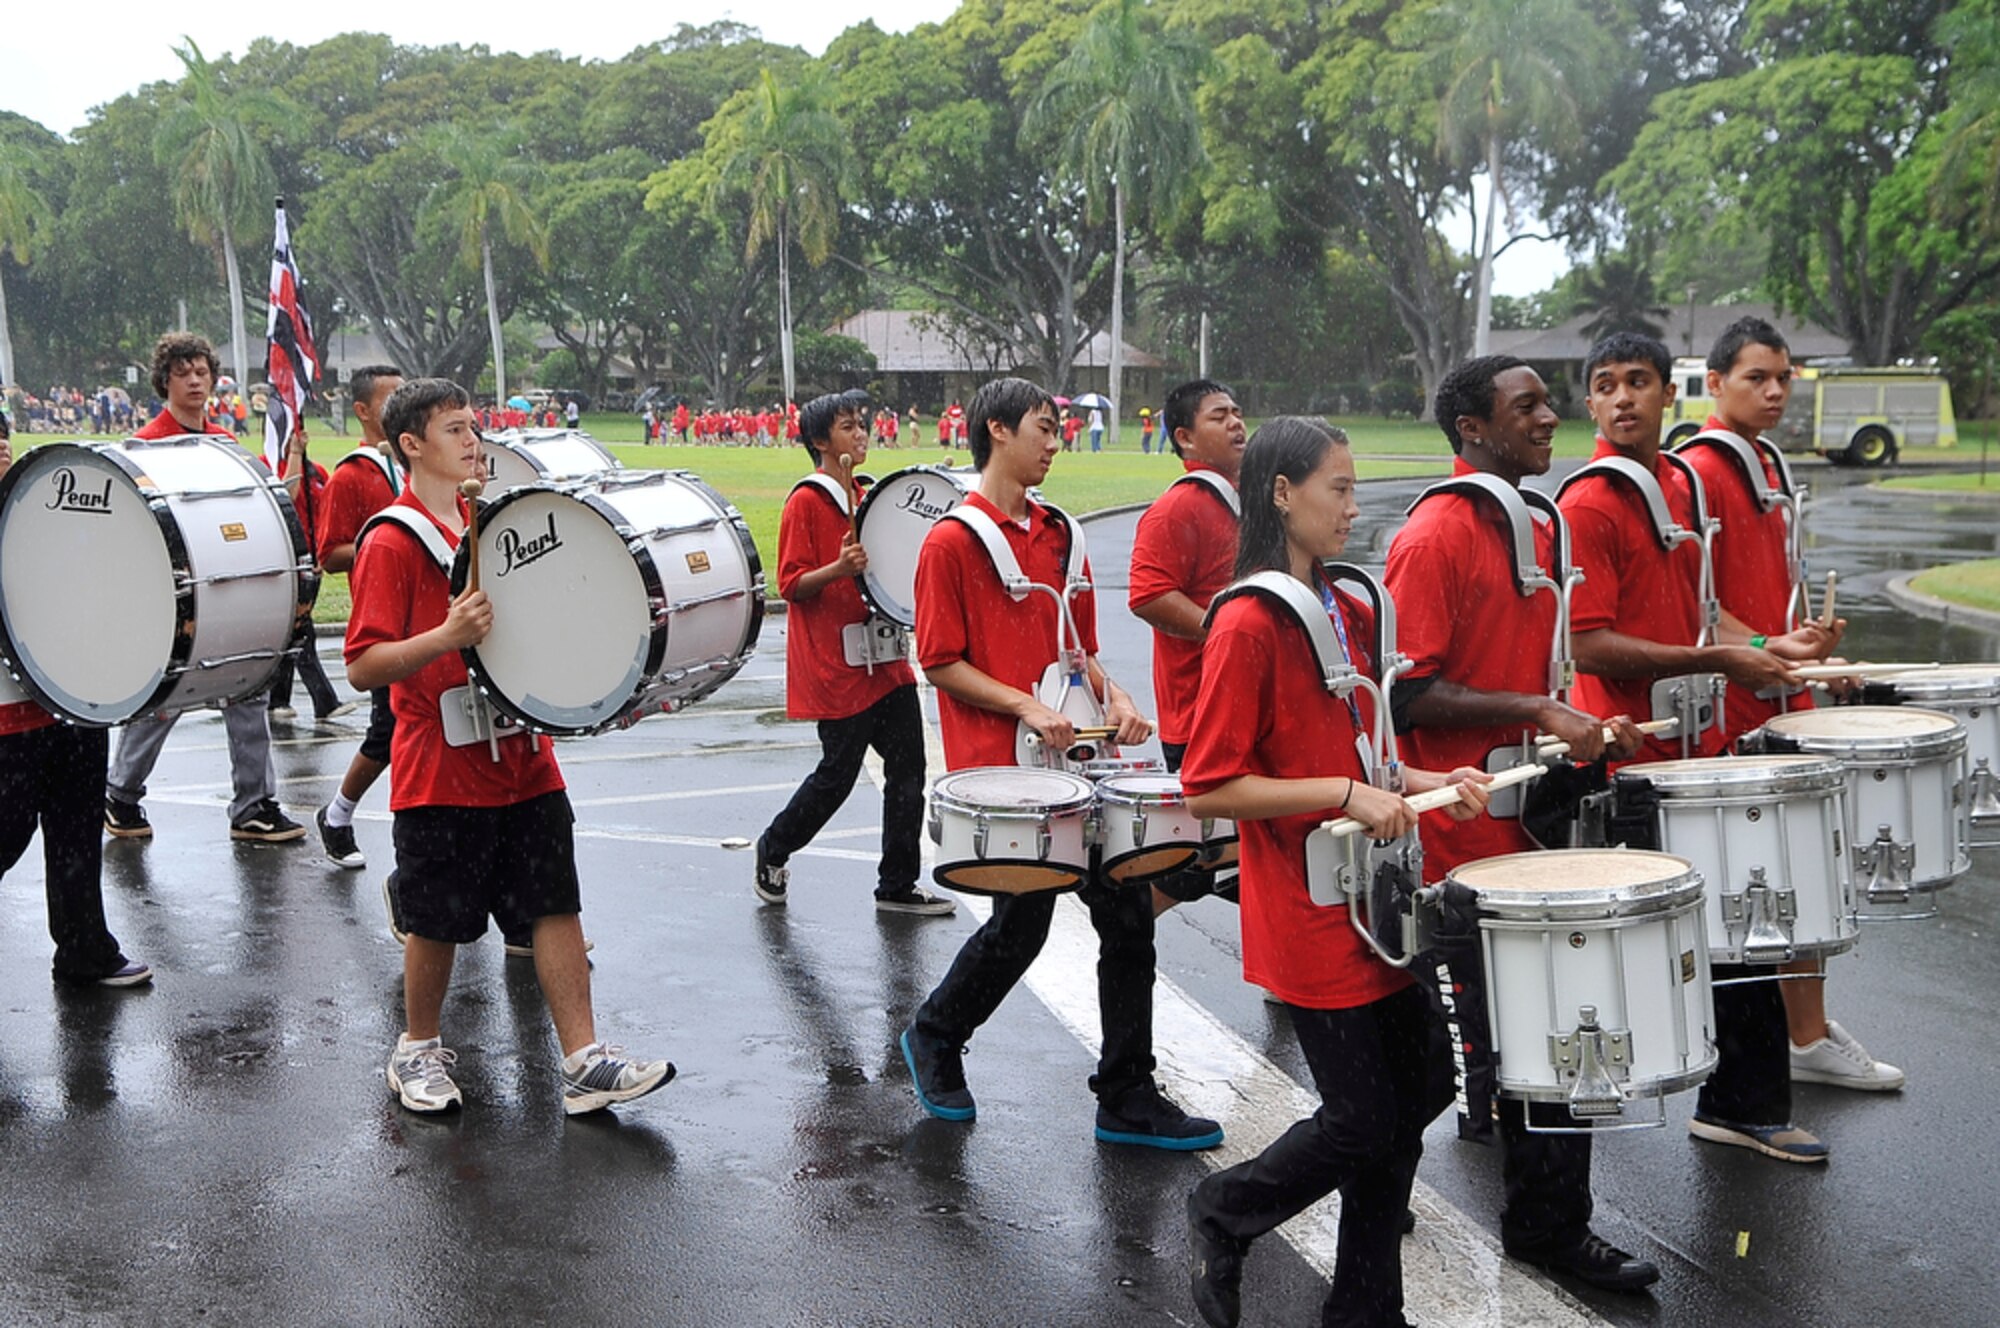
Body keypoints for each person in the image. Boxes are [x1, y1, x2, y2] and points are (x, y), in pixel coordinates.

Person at [1181, 417, 1488, 1328]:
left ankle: (1364, 1304)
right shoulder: (1246, 621)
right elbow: (1210, 786)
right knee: (1360, 1118)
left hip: (1380, 901)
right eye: (1339, 489)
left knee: (1427, 1079)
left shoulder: (1346, 609)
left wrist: (1435, 783)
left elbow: (1368, 748)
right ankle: (1226, 1213)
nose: (1355, 507)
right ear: (1282, 494)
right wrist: (1345, 794)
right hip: (1314, 911)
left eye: (1355, 489)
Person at [1386, 355, 1657, 1292]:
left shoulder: (1534, 521)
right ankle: (1368, 1196)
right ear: (1470, 426)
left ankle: (1546, 1228)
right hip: (1459, 841)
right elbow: (1410, 698)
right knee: (1451, 1057)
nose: (1551, 417)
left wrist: (1571, 720)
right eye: (1526, 406)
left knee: (1548, 1037)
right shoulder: (1433, 535)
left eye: (1548, 402)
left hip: (1530, 831)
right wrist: (1543, 714)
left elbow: (1530, 676)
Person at [899, 376, 1221, 1150]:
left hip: (1079, 765)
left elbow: (1077, 652)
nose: (1056, 442)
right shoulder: (952, 541)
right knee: (1021, 928)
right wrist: (1023, 704)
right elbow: (938, 659)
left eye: (1059, 429)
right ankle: (936, 1034)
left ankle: (1126, 1093)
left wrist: (1116, 700)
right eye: (1044, 428)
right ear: (998, 431)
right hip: (1006, 774)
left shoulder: (1060, 534)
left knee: (1125, 916)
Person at [345, 377, 672, 1116]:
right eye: (456, 430)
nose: (474, 441)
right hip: (440, 767)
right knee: (436, 922)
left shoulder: (500, 523)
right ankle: (417, 1050)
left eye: (475, 426)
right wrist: (445, 636)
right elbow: (364, 661)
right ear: (411, 445)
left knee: (556, 907)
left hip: (525, 757)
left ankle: (584, 1060)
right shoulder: (392, 541)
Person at [1559, 331, 1833, 1164]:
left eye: (1638, 382)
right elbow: (1589, 642)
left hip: (1699, 742)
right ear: (1592, 405)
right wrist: (1717, 658)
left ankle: (1741, 1105)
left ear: (1668, 394)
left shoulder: (1678, 482)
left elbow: (1702, 611)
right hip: (1632, 754)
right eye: (1605, 386)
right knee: (1618, 939)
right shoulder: (1589, 503)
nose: (1623, 399)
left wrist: (1777, 647)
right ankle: (1511, 1099)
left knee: (1741, 922)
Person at [1679, 316, 1903, 1092]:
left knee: (1803, 873)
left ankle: (1804, 1032)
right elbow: (1697, 608)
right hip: (1734, 710)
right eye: (1756, 378)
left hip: (1778, 692)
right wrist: (1774, 645)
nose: (1775, 391)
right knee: (1777, 880)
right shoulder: (1698, 471)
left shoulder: (1763, 462)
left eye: (1784, 377)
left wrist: (1811, 645)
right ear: (1715, 384)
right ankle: (1792, 1042)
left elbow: (1769, 592)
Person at [753, 391, 954, 918]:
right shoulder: (806, 501)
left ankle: (897, 884)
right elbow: (791, 584)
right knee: (836, 777)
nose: (860, 434)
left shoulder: (869, 496)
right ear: (821, 442)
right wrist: (838, 568)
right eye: (847, 427)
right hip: (835, 666)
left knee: (910, 771)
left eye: (861, 425)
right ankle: (774, 846)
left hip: (886, 663)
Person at [103, 333, 305, 845]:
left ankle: (253, 804)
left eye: (201, 372)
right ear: (164, 381)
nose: (194, 381)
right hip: (169, 594)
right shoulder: (144, 448)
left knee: (248, 690)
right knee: (164, 699)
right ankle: (120, 795)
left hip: (224, 589)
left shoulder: (225, 445)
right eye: (182, 373)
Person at [0, 414, 152, 988]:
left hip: (69, 700)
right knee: (7, 833)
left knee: (76, 831)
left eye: (1, 435)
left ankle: (84, 947)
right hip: (7, 714)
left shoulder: (37, 505)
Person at [1128, 378, 1247, 915]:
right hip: (1200, 715)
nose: (1236, 422)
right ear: (1184, 438)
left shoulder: (1246, 501)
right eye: (1219, 416)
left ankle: (1289, 977)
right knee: (1194, 863)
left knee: (1248, 853)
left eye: (1238, 412)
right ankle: (1122, 936)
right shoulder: (1180, 507)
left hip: (1243, 710)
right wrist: (1228, 635)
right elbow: (1148, 595)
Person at [311, 364, 406, 871]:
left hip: (433, 620)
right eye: (389, 399)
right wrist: (386, 540)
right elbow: (328, 554)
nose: (399, 406)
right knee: (387, 732)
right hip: (386, 621)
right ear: (363, 411)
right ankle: (338, 813)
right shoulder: (352, 475)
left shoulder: (417, 462)